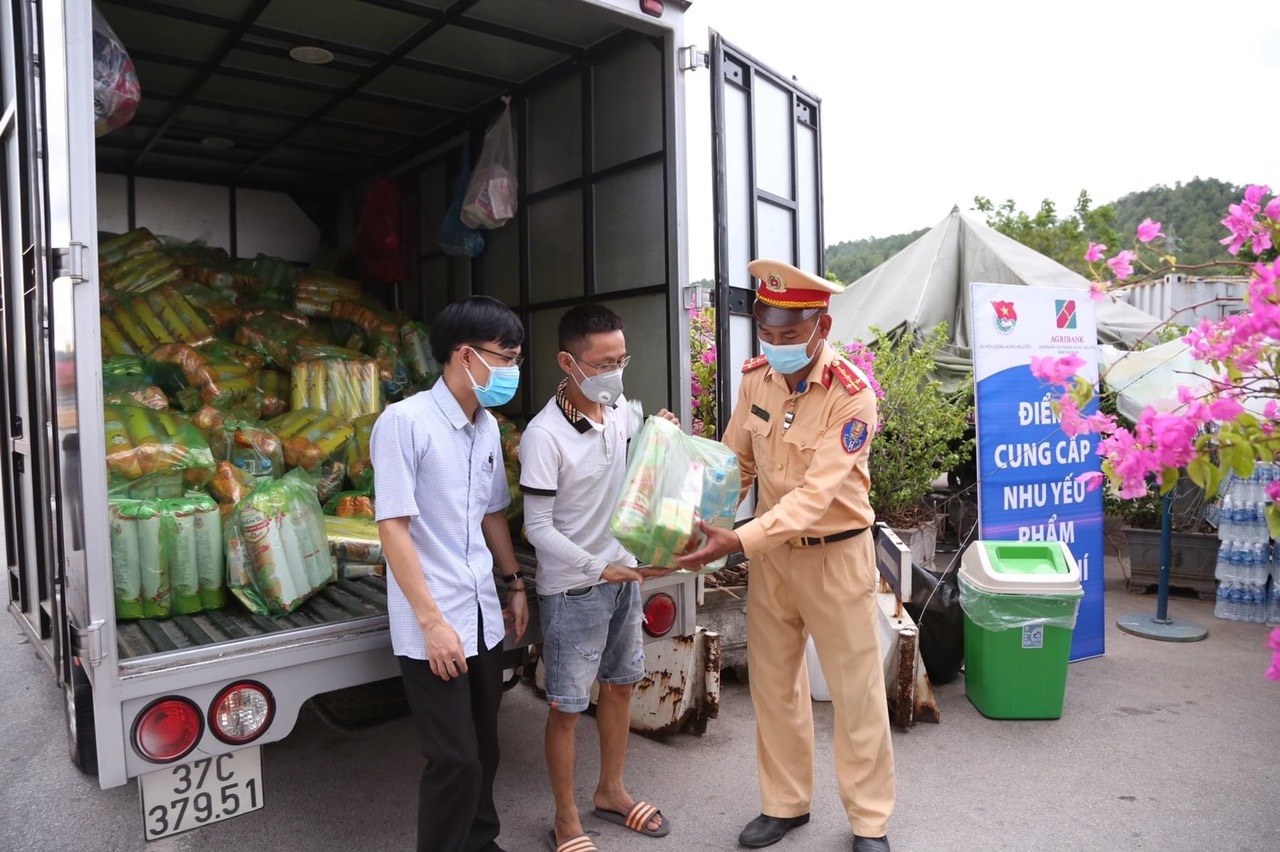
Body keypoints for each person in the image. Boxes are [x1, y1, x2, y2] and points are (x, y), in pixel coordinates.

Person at [675, 260, 896, 852]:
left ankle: (870, 820)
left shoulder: (852, 395)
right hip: (773, 561)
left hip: (836, 557)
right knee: (774, 687)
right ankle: (785, 804)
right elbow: (736, 464)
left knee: (855, 693)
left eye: (789, 335)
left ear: (822, 327)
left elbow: (814, 497)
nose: (775, 346)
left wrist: (738, 540)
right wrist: (700, 520)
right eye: (767, 334)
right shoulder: (757, 380)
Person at [372, 295, 531, 852]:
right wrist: (432, 623)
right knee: (454, 759)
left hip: (481, 613)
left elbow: (492, 513)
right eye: (506, 358)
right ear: (466, 355)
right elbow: (393, 528)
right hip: (434, 622)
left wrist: (514, 583)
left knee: (485, 748)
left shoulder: (486, 427)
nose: (513, 370)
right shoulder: (404, 423)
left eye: (516, 359)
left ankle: (480, 843)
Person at [517, 305, 676, 852]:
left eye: (621, 359)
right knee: (566, 706)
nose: (615, 371)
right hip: (573, 589)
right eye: (603, 363)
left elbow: (637, 475)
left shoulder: (620, 413)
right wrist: (598, 567)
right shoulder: (544, 435)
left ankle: (611, 791)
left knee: (622, 684)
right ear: (568, 362)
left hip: (621, 577)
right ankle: (566, 819)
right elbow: (537, 527)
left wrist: (661, 437)